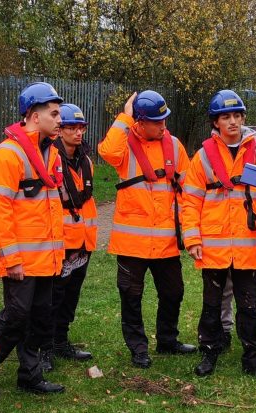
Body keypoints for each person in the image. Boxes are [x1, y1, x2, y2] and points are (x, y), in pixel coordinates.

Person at [181, 89, 256, 381]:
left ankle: (253, 359)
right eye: (226, 117)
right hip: (213, 246)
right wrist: (192, 239)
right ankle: (209, 352)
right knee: (212, 305)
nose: (233, 121)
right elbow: (190, 201)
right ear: (216, 123)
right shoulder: (202, 157)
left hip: (251, 245)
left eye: (237, 115)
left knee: (249, 306)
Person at [98, 90, 196, 368]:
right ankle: (138, 348)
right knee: (131, 297)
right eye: (156, 121)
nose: (163, 126)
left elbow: (187, 188)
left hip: (165, 242)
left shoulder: (174, 145)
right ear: (139, 122)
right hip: (131, 245)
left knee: (173, 292)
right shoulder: (124, 145)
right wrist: (124, 118)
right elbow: (107, 151)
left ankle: (167, 340)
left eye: (165, 120)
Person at [0, 82, 66, 395]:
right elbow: (0, 212)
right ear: (34, 116)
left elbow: (50, 209)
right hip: (22, 262)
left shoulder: (50, 153)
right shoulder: (7, 156)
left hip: (46, 259)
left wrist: (57, 257)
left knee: (39, 318)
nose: (61, 119)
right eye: (55, 113)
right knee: (15, 318)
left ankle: (29, 376)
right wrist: (12, 259)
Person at [47, 103, 97, 364]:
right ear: (60, 130)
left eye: (81, 128)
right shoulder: (49, 159)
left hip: (83, 241)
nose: (78, 133)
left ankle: (60, 341)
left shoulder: (86, 160)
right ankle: (44, 348)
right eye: (72, 127)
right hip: (60, 240)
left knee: (70, 297)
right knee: (53, 297)